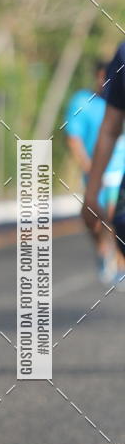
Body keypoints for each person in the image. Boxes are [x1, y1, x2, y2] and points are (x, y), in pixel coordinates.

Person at [65, 61, 125, 284]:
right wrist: (88, 166)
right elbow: (73, 137)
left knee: (115, 214)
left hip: (120, 170)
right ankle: (101, 248)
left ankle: (120, 264)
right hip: (96, 170)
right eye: (102, 77)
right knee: (92, 217)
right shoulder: (82, 102)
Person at [83, 47, 125, 276]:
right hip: (111, 174)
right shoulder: (123, 56)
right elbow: (109, 130)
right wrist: (91, 189)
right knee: (114, 218)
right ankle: (111, 259)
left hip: (117, 171)